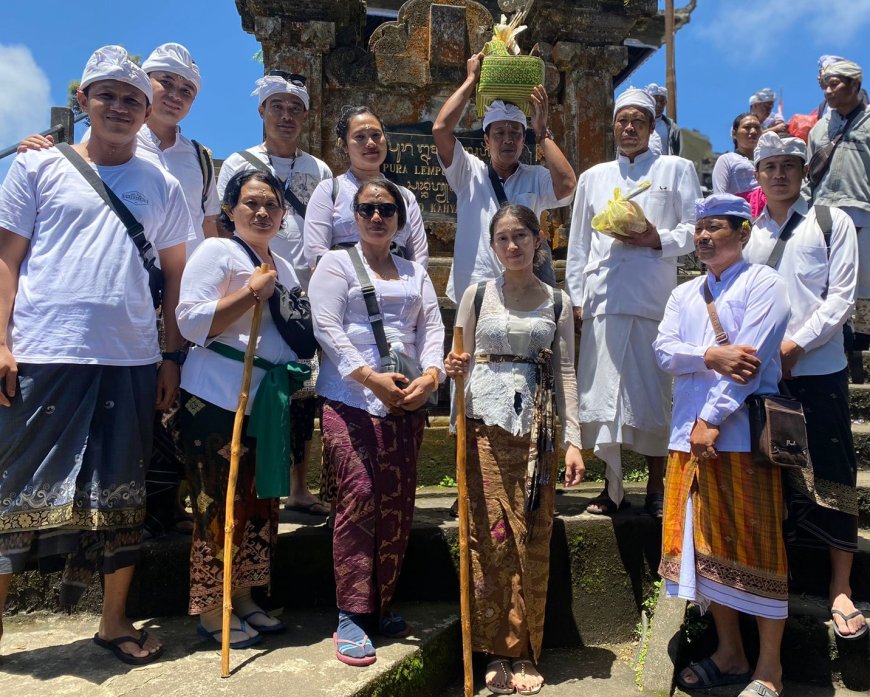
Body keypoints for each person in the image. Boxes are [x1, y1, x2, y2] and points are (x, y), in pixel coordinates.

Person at [0, 45, 191, 664]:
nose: (119, 107)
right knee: (12, 490)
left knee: (122, 492)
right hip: (43, 351)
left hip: (131, 358)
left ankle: (113, 621)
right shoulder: (37, 168)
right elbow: (7, 259)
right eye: (106, 94)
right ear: (82, 102)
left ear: (145, 111)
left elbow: (174, 280)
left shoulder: (159, 184)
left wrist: (170, 357)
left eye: (131, 99)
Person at [17, 42, 220, 539]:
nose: (174, 95)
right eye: (164, 83)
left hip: (171, 304)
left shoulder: (200, 159)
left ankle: (162, 511)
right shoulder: (63, 156)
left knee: (158, 424)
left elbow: (208, 232)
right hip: (89, 316)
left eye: (186, 90)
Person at [444, 204, 585, 696]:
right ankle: (495, 649)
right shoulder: (477, 295)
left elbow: (566, 371)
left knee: (532, 537)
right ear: (492, 245)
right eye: (503, 238)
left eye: (521, 236)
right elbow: (459, 359)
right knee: (492, 537)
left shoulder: (558, 301)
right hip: (484, 428)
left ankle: (524, 648)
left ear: (538, 241)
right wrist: (454, 385)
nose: (513, 246)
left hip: (537, 432)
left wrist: (574, 442)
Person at [654, 193, 790, 697]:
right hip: (685, 440)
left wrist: (710, 418)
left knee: (757, 549)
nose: (704, 236)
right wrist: (710, 354)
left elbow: (750, 364)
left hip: (738, 438)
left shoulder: (764, 284)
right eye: (699, 228)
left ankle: (769, 667)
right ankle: (731, 652)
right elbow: (664, 351)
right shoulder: (683, 294)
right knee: (707, 555)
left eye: (716, 227)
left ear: (743, 231)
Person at [309, 178, 444, 666]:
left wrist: (430, 377)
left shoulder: (415, 272)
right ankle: (352, 611)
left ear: (399, 218)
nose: (376, 217)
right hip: (350, 398)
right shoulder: (335, 263)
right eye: (367, 208)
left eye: (386, 209)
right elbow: (325, 326)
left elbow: (431, 328)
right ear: (354, 214)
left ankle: (381, 602)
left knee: (398, 502)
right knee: (361, 498)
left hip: (406, 399)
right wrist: (369, 378)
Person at [176, 169, 310, 648]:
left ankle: (247, 595)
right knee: (219, 502)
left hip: (266, 400)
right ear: (231, 210)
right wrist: (250, 293)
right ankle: (214, 608)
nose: (262, 212)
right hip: (216, 395)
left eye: (271, 204)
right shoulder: (218, 252)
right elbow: (190, 321)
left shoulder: (287, 267)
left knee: (260, 503)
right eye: (251, 203)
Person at [746, 132, 867, 640]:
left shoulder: (831, 222)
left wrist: (795, 345)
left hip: (820, 372)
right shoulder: (747, 234)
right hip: (767, 379)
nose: (779, 174)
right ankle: (778, 578)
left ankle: (841, 587)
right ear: (758, 176)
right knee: (774, 478)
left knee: (835, 472)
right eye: (769, 166)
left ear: (803, 173)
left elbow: (840, 298)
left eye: (788, 166)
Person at [565, 87, 701, 517]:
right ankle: (612, 487)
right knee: (605, 398)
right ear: (614, 125)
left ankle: (658, 487)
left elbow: (696, 229)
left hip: (653, 301)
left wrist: (655, 237)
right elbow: (578, 246)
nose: (629, 128)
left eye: (637, 121)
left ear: (651, 126)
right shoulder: (593, 177)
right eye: (622, 120)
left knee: (652, 396)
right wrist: (577, 299)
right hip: (603, 300)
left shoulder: (675, 169)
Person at [218, 72, 333, 517]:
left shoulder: (318, 169)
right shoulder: (238, 162)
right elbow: (222, 221)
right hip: (252, 282)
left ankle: (298, 485)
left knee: (300, 388)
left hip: (301, 290)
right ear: (262, 111)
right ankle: (251, 483)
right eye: (277, 107)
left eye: (295, 109)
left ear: (305, 116)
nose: (286, 116)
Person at [432, 52, 576, 304]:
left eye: (516, 133)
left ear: (523, 140)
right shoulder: (469, 173)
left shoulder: (535, 177)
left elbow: (567, 187)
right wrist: (470, 80)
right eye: (499, 133)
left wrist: (542, 134)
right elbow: (441, 129)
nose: (508, 139)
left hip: (525, 292)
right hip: (475, 290)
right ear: (487, 141)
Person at [304, 105, 429, 269]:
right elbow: (316, 253)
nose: (370, 143)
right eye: (360, 137)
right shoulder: (329, 191)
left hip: (398, 288)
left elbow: (419, 256)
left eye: (376, 135)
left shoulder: (405, 196)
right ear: (344, 146)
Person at [807, 59, 870, 383]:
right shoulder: (819, 128)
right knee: (827, 282)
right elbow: (808, 174)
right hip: (823, 213)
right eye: (825, 85)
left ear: (855, 84)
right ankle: (839, 346)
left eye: (835, 84)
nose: (828, 90)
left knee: (862, 285)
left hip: (862, 211)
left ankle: (861, 352)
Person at [645, 83, 682, 156]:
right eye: (655, 101)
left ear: (666, 103)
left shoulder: (672, 129)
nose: (658, 105)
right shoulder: (637, 124)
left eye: (662, 101)